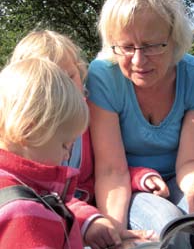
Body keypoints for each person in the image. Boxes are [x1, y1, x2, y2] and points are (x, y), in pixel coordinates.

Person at [86, 0, 194, 249]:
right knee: (167, 226)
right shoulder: (104, 77)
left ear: (175, 37)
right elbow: (111, 170)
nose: (139, 60)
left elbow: (192, 160)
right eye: (127, 47)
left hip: (178, 178)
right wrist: (115, 231)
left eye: (153, 46)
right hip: (127, 185)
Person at [8, 29, 166, 247]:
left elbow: (107, 168)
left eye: (69, 76)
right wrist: (88, 219)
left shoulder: (90, 115)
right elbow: (45, 197)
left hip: (98, 216)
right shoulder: (30, 144)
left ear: (80, 72)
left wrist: (139, 176)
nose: (65, 89)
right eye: (53, 83)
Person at [0, 58, 119, 248]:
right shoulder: (24, 213)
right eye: (65, 145)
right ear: (28, 132)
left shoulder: (21, 187)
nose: (66, 156)